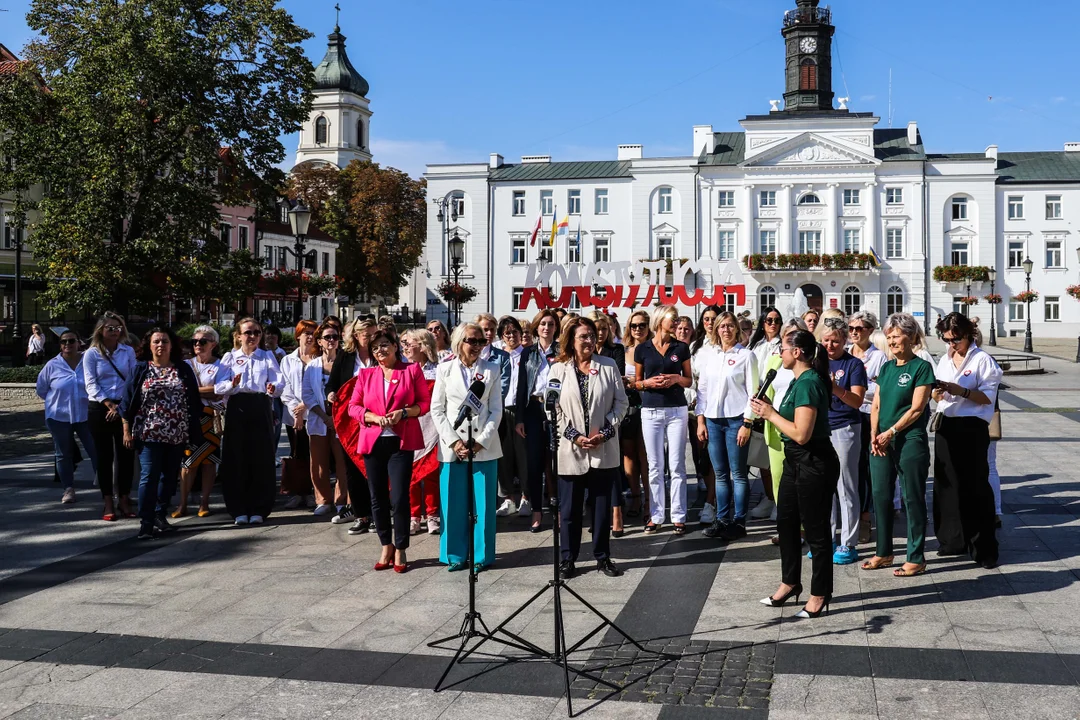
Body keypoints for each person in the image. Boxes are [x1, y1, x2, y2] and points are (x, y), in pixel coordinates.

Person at [752, 329, 839, 618]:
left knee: (816, 531)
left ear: (797, 352)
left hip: (814, 461)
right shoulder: (796, 381)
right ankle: (790, 582)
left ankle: (819, 593)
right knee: (786, 524)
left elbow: (802, 434)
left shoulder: (809, 383)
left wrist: (770, 414)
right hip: (793, 461)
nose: (780, 354)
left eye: (783, 349)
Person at [549, 316, 628, 578]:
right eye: (584, 336)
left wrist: (606, 432)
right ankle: (567, 559)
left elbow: (621, 403)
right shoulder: (558, 369)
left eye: (593, 336)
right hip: (570, 449)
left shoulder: (607, 366)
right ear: (570, 339)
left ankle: (602, 557)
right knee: (569, 510)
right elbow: (552, 407)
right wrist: (573, 435)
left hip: (602, 448)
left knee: (601, 509)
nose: (590, 341)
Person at [349, 328, 432, 573]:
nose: (380, 350)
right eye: (375, 348)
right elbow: (353, 407)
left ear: (396, 346)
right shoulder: (366, 375)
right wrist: (371, 416)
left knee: (398, 497)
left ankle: (401, 547)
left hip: (401, 441)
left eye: (385, 344)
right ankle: (386, 544)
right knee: (377, 497)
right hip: (373, 442)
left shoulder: (411, 370)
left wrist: (404, 413)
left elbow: (424, 403)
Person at [862, 313, 935, 577]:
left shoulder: (921, 368)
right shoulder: (886, 368)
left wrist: (891, 431)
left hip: (909, 440)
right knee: (880, 496)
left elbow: (917, 409)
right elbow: (877, 404)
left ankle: (916, 556)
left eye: (897, 336)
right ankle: (883, 552)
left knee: (912, 497)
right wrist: (874, 433)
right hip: (880, 441)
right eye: (889, 336)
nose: (892, 341)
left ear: (912, 337)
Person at [432, 323, 504, 571]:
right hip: (453, 447)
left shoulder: (492, 369)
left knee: (484, 507)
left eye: (481, 342)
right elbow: (437, 409)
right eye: (471, 341)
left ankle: (482, 556)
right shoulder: (444, 369)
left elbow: (496, 410)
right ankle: (454, 555)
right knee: (452, 504)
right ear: (459, 341)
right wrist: (454, 441)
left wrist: (481, 440)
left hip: (483, 446)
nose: (476, 346)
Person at [932, 312, 1002, 569]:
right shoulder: (945, 359)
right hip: (946, 424)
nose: (951, 344)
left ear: (969, 335)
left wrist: (959, 390)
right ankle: (951, 540)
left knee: (975, 486)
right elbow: (937, 397)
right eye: (947, 339)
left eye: (956, 339)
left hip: (972, 426)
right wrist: (937, 394)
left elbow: (987, 398)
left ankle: (984, 547)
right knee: (946, 485)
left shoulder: (983, 360)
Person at [120, 327, 203, 540]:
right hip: (148, 433)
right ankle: (146, 521)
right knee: (149, 476)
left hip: (176, 433)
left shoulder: (183, 369)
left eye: (164, 341)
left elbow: (194, 400)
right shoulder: (140, 369)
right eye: (156, 341)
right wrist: (127, 431)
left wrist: (193, 429)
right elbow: (127, 403)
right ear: (149, 345)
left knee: (168, 478)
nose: (160, 345)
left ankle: (160, 513)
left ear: (171, 345)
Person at [696, 311, 757, 540]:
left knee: (739, 473)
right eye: (722, 326)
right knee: (720, 474)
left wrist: (747, 423)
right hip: (712, 419)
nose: (726, 330)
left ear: (737, 329)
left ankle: (739, 522)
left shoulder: (746, 355)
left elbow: (753, 392)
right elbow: (702, 391)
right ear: (716, 329)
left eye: (731, 326)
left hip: (736, 419)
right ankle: (722, 519)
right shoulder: (709, 356)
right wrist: (700, 420)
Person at [633, 305, 693, 535]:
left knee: (677, 465)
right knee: (655, 466)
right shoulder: (643, 349)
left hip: (677, 409)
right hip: (651, 410)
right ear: (660, 321)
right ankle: (656, 515)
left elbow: (688, 381)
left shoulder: (682, 347)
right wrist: (648, 384)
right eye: (673, 319)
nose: (677, 323)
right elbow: (637, 382)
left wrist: (676, 378)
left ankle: (679, 516)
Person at [219, 318, 283, 526]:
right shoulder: (230, 358)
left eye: (256, 332)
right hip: (238, 406)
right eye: (248, 332)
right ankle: (238, 509)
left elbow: (279, 380)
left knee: (261, 458)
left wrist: (273, 388)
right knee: (236, 457)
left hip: (259, 405)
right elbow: (219, 387)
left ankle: (259, 508)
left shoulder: (266, 356)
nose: (253, 336)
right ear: (238, 335)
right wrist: (232, 384)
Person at [174, 325, 234, 518]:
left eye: (203, 341)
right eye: (195, 341)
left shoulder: (222, 366)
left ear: (213, 344)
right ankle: (182, 504)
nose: (198, 345)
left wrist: (197, 391)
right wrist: (209, 390)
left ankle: (204, 503)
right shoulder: (186, 364)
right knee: (188, 462)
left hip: (212, 420)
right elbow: (181, 390)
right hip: (191, 420)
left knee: (210, 461)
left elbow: (222, 390)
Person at [820, 317, 867, 564]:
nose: (830, 345)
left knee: (845, 486)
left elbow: (857, 401)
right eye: (826, 340)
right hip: (820, 428)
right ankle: (825, 538)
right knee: (824, 488)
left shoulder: (854, 365)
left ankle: (848, 542)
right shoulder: (816, 362)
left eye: (835, 341)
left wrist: (835, 388)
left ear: (844, 340)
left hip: (845, 427)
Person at [84, 312, 137, 518]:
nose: (115, 331)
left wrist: (122, 406)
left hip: (123, 405)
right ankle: (107, 502)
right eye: (110, 328)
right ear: (101, 330)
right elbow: (90, 382)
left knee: (126, 455)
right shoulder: (92, 354)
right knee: (104, 457)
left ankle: (124, 498)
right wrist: (108, 404)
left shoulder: (128, 351)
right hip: (99, 408)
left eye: (118, 327)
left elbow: (132, 380)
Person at [325, 318, 376, 533]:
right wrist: (331, 394)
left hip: (376, 419)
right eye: (366, 333)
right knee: (353, 470)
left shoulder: (381, 353)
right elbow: (333, 383)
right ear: (356, 335)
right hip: (350, 422)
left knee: (374, 469)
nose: (370, 337)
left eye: (373, 333)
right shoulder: (346, 356)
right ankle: (361, 514)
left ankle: (377, 514)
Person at [37, 330, 98, 507]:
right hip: (59, 416)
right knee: (63, 454)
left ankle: (106, 488)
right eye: (63, 342)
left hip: (86, 415)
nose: (67, 345)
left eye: (71, 341)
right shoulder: (52, 365)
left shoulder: (88, 361)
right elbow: (42, 389)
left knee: (96, 450)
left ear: (78, 343)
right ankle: (68, 488)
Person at [513, 309, 561, 532]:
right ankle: (537, 511)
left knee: (557, 462)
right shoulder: (528, 353)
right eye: (542, 324)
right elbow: (522, 385)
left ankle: (559, 509)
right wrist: (520, 418)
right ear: (536, 327)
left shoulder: (562, 351)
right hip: (533, 408)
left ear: (556, 328)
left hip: (557, 409)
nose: (546, 328)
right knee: (533, 463)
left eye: (550, 324)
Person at [847, 311, 886, 544]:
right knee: (848, 469)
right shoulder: (845, 353)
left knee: (864, 470)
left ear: (871, 330)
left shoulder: (878, 357)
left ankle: (864, 518)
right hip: (845, 415)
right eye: (851, 328)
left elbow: (879, 390)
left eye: (859, 328)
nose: (854, 332)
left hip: (866, 416)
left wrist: (858, 390)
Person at [304, 321, 350, 516]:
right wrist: (324, 416)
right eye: (327, 337)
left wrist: (336, 417)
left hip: (342, 420)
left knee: (342, 463)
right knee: (319, 463)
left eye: (335, 337)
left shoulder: (346, 362)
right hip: (319, 419)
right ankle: (323, 499)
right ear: (320, 342)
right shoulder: (313, 366)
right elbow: (306, 394)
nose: (331, 341)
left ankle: (341, 501)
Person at [400, 329, 441, 535]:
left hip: (432, 426)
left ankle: (433, 514)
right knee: (411, 474)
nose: (405, 347)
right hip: (410, 426)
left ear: (423, 346)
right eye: (404, 344)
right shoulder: (402, 370)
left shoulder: (438, 370)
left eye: (410, 343)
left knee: (431, 472)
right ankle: (414, 515)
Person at [589, 311, 626, 535]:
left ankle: (616, 511)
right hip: (589, 417)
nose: (600, 333)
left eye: (604, 329)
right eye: (597, 330)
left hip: (611, 415)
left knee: (612, 466)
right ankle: (595, 513)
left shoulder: (616, 351)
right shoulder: (584, 353)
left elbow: (618, 380)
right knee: (591, 469)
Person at [494, 316, 530, 523]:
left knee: (523, 455)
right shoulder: (497, 356)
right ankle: (508, 498)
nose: (512, 336)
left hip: (520, 409)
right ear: (502, 336)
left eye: (515, 332)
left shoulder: (527, 354)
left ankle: (526, 496)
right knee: (504, 456)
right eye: (507, 333)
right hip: (500, 409)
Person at [280, 320, 319, 509]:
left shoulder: (319, 359)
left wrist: (305, 406)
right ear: (298, 336)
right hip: (293, 415)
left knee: (315, 456)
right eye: (306, 333)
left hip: (314, 414)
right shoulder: (288, 360)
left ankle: (312, 492)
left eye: (313, 332)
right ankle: (297, 492)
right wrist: (296, 410)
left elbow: (319, 387)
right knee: (297, 453)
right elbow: (285, 388)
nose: (310, 336)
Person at [687, 308, 718, 524]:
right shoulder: (695, 346)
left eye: (713, 319)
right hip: (697, 409)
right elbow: (690, 378)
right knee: (702, 457)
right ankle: (712, 497)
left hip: (718, 408)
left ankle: (712, 502)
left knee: (714, 458)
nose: (709, 322)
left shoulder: (724, 345)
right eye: (706, 319)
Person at [620, 309, 652, 521]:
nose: (638, 329)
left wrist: (635, 383)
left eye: (642, 325)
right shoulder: (623, 351)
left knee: (646, 456)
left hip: (648, 404)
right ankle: (635, 495)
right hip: (627, 406)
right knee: (629, 454)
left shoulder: (653, 349)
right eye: (634, 325)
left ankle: (650, 500)